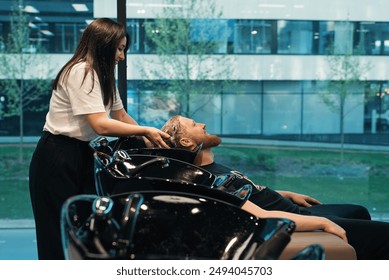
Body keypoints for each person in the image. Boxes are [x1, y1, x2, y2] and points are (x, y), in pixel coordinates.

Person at [29, 18, 170, 260]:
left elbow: (120, 115)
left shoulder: (104, 75)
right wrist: (146, 131)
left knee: (85, 229)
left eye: (123, 49)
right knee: (58, 235)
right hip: (56, 157)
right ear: (103, 44)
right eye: (119, 48)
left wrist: (149, 142)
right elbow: (100, 124)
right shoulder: (81, 71)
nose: (122, 56)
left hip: (81, 153)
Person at [160, 115, 389, 260]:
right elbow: (262, 215)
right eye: (193, 124)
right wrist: (322, 222)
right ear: (187, 142)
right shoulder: (210, 180)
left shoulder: (215, 167)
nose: (202, 123)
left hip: (293, 206)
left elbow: (247, 191)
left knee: (359, 210)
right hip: (295, 217)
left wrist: (286, 194)